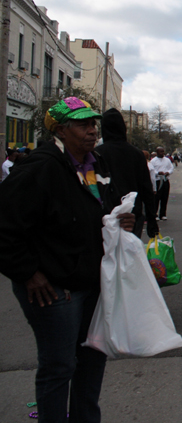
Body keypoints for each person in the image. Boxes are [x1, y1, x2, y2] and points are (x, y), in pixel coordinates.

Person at [0, 97, 135, 422]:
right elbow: (5, 227)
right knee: (60, 365)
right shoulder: (40, 167)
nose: (92, 130)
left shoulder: (96, 163)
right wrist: (29, 273)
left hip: (92, 283)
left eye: (94, 124)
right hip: (54, 289)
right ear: (61, 129)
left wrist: (120, 220)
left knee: (92, 359)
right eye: (83, 125)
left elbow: (102, 208)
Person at [95, 108, 159, 240]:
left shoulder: (96, 154)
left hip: (105, 215)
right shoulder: (136, 154)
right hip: (132, 215)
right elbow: (146, 188)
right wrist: (151, 218)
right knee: (129, 255)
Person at [151, 146, 174, 220]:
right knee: (156, 198)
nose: (162, 153)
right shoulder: (153, 161)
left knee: (164, 197)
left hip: (165, 180)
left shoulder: (167, 160)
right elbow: (152, 170)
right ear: (157, 152)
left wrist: (168, 172)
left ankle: (163, 214)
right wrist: (157, 173)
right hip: (157, 180)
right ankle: (155, 214)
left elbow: (171, 167)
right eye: (161, 151)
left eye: (163, 151)